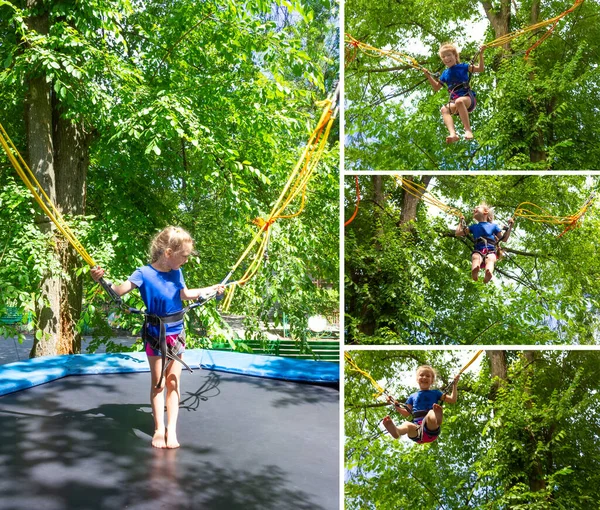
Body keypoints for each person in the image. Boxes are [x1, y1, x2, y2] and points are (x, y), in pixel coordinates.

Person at [91, 226, 225, 449]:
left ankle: (171, 429)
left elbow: (184, 294)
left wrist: (211, 289)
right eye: (183, 256)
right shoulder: (143, 273)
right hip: (155, 333)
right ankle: (158, 429)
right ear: (168, 253)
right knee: (159, 384)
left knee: (173, 382)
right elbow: (117, 291)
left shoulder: (177, 272)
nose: (186, 260)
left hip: (176, 333)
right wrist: (100, 280)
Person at [424, 42, 485, 144]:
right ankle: (453, 134)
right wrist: (428, 76)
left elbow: (480, 69)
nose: (446, 58)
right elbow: (436, 87)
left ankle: (468, 130)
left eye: (448, 55)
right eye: (443, 56)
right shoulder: (445, 74)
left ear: (455, 56)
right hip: (455, 101)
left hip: (468, 98)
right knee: (444, 109)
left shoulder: (463, 66)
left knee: (459, 101)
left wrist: (481, 55)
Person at [382, 365, 459, 444]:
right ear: (417, 379)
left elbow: (453, 399)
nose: (424, 377)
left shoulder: (436, 393)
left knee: (431, 413)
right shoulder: (412, 396)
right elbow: (406, 413)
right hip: (417, 431)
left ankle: (436, 419)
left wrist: (454, 385)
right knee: (407, 424)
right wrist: (396, 405)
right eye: (421, 375)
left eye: (427, 376)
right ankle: (397, 431)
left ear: (432, 380)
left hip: (430, 430)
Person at [456, 203, 515, 284]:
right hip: (478, 249)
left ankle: (488, 272)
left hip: (490, 249)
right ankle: (475, 270)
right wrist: (461, 222)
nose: (474, 209)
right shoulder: (473, 227)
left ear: (486, 212)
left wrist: (510, 227)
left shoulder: (493, 226)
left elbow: (504, 239)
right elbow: (458, 233)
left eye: (477, 207)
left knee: (490, 259)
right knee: (475, 257)